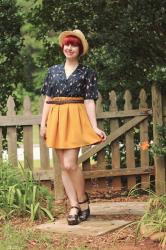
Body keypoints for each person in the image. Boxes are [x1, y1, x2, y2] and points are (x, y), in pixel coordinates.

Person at [40, 29, 107, 225]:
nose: (69, 47)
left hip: (75, 118)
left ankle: (83, 200)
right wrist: (42, 124)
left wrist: (94, 126)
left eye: (74, 45)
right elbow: (48, 99)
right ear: (63, 47)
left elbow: (89, 101)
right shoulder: (52, 71)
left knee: (70, 164)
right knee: (63, 166)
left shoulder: (88, 73)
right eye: (67, 44)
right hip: (56, 118)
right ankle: (74, 206)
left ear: (80, 49)